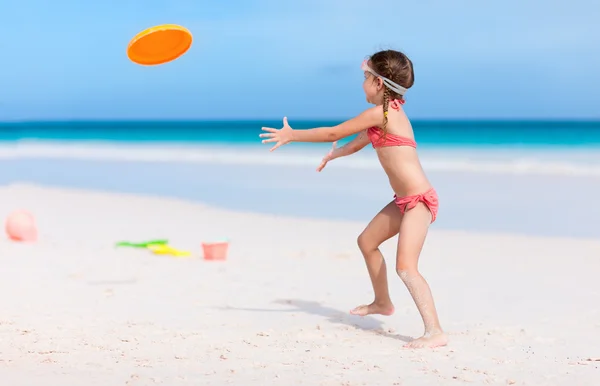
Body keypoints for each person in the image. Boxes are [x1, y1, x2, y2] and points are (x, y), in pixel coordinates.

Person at [259, 50, 447, 349]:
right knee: (366, 241)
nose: (362, 84)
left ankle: (434, 331)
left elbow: (335, 130)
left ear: (379, 84)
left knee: (406, 267)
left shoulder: (383, 113)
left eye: (365, 77)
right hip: (403, 201)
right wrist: (335, 154)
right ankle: (382, 302)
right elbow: (358, 140)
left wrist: (292, 135)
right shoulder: (385, 116)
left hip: (419, 202)